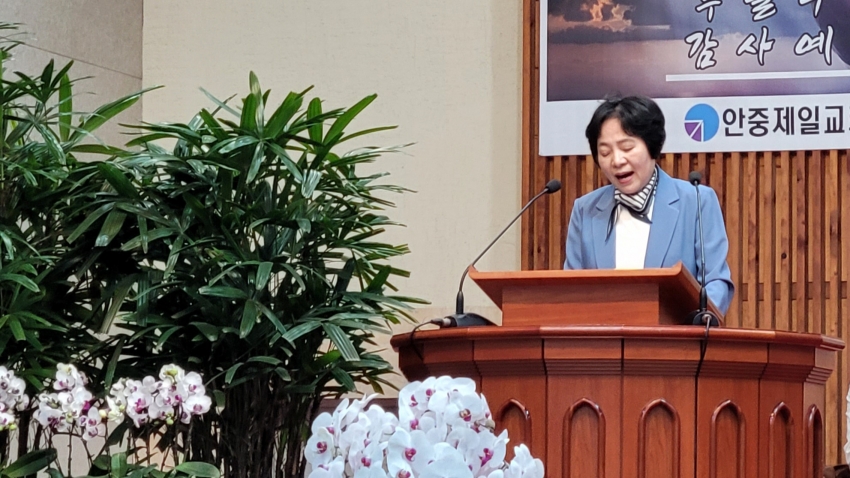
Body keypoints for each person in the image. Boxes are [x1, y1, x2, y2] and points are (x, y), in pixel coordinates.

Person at [564, 95, 734, 315]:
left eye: (627, 148)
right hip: (603, 334)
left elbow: (716, 281)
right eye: (605, 152)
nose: (616, 161)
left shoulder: (696, 201)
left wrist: (700, 320)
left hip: (677, 335)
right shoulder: (585, 210)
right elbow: (571, 291)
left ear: (651, 146)